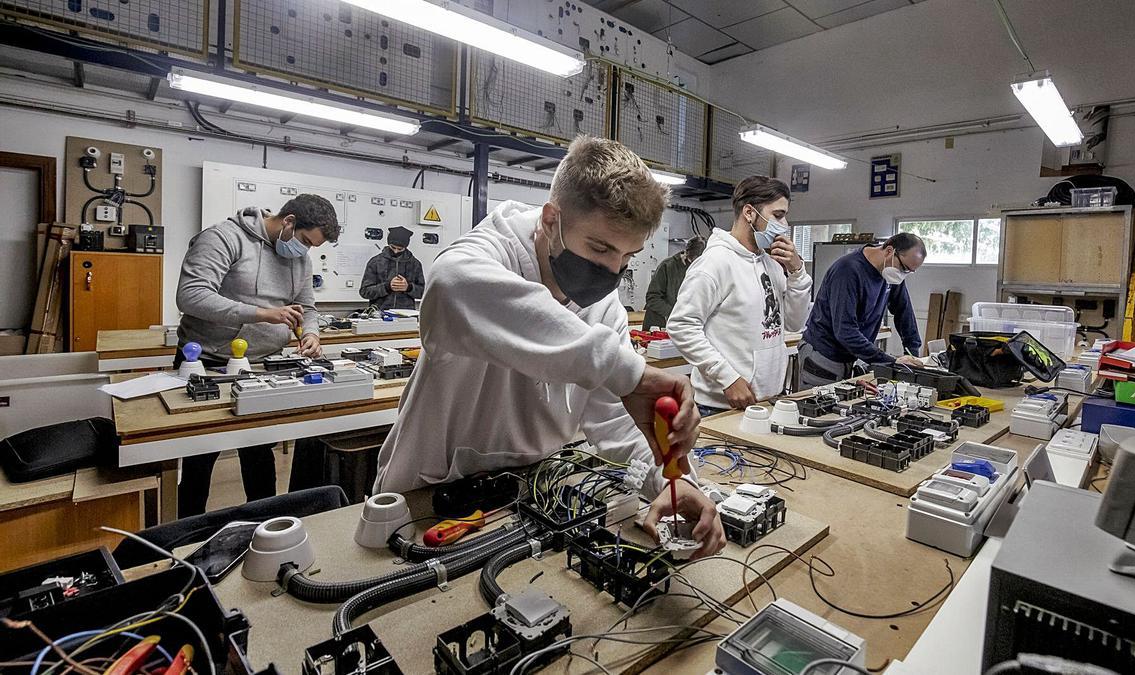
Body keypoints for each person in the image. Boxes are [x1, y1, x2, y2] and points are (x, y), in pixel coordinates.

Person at [373, 136, 724, 557]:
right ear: (551, 219)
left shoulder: (603, 306)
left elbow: (613, 415)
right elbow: (449, 286)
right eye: (600, 247)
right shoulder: (494, 251)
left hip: (527, 499)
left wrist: (670, 479)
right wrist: (627, 371)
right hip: (428, 501)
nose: (612, 271)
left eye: (628, 257)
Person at [175, 194, 339, 516]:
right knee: (199, 459)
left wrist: (311, 333)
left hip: (263, 367)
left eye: (312, 247)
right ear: (288, 221)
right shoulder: (224, 237)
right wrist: (261, 314)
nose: (305, 251)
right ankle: (188, 537)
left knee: (260, 456)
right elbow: (191, 296)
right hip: (207, 362)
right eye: (304, 240)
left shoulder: (300, 258)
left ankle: (265, 530)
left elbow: (307, 308)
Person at [668, 176, 812, 415]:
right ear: (749, 212)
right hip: (721, 406)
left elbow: (795, 323)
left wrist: (797, 273)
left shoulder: (773, 265)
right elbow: (682, 326)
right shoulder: (715, 263)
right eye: (777, 215)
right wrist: (727, 378)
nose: (784, 224)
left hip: (767, 400)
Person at [797, 232, 927, 389]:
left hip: (850, 355)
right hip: (824, 355)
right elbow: (845, 331)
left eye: (909, 272)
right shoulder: (847, 271)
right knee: (819, 408)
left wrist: (912, 354)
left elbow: (904, 313)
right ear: (889, 251)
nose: (903, 275)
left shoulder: (892, 274)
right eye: (904, 268)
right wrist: (890, 360)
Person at [642, 236, 706, 330]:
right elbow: (652, 297)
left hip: (683, 324)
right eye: (694, 260)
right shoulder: (668, 266)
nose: (696, 265)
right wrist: (674, 313)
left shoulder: (701, 269)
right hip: (658, 325)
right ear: (687, 252)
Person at [359, 226, 425, 311]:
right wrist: (387, 287)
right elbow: (364, 291)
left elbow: (424, 292)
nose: (396, 251)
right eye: (393, 247)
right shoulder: (375, 262)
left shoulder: (415, 264)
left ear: (405, 247)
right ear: (388, 244)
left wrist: (408, 287)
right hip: (379, 314)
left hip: (406, 316)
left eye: (400, 249)